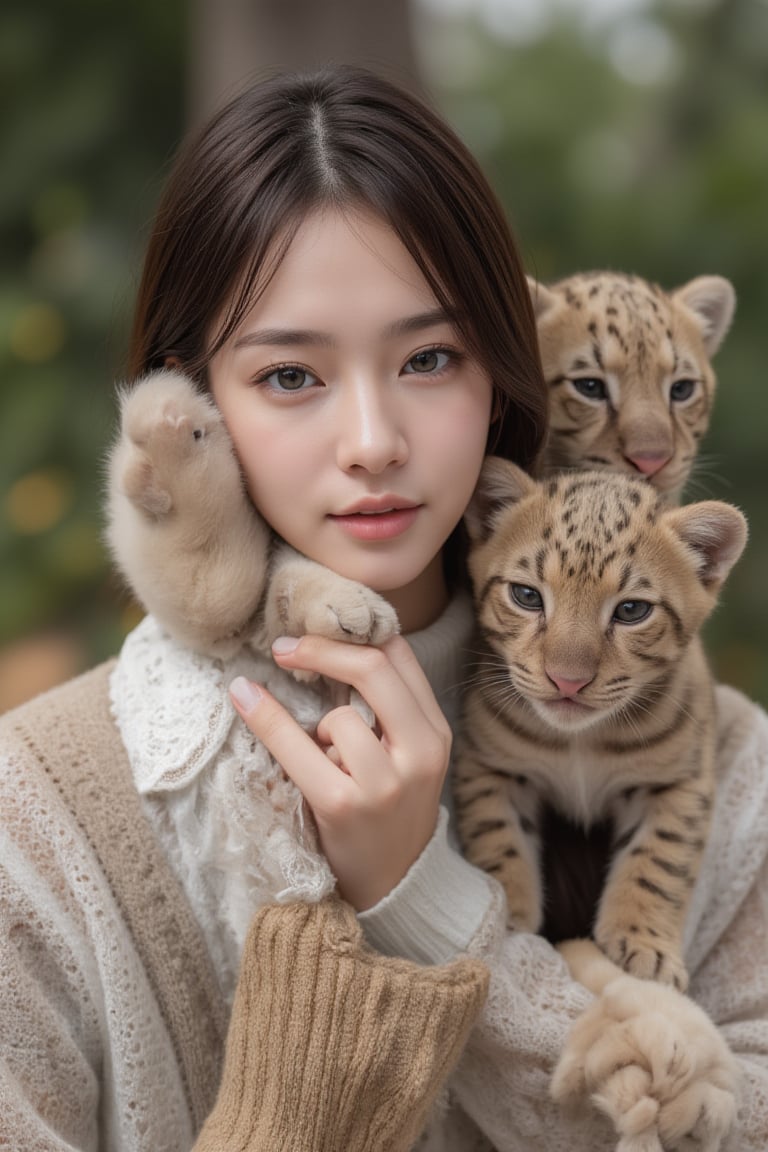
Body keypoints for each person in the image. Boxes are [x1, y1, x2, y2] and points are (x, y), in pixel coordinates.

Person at [0, 65, 765, 1152]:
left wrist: (429, 904)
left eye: (430, 357)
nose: (373, 440)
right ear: (191, 397)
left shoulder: (727, 775)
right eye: (290, 377)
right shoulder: (34, 817)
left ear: (507, 376)